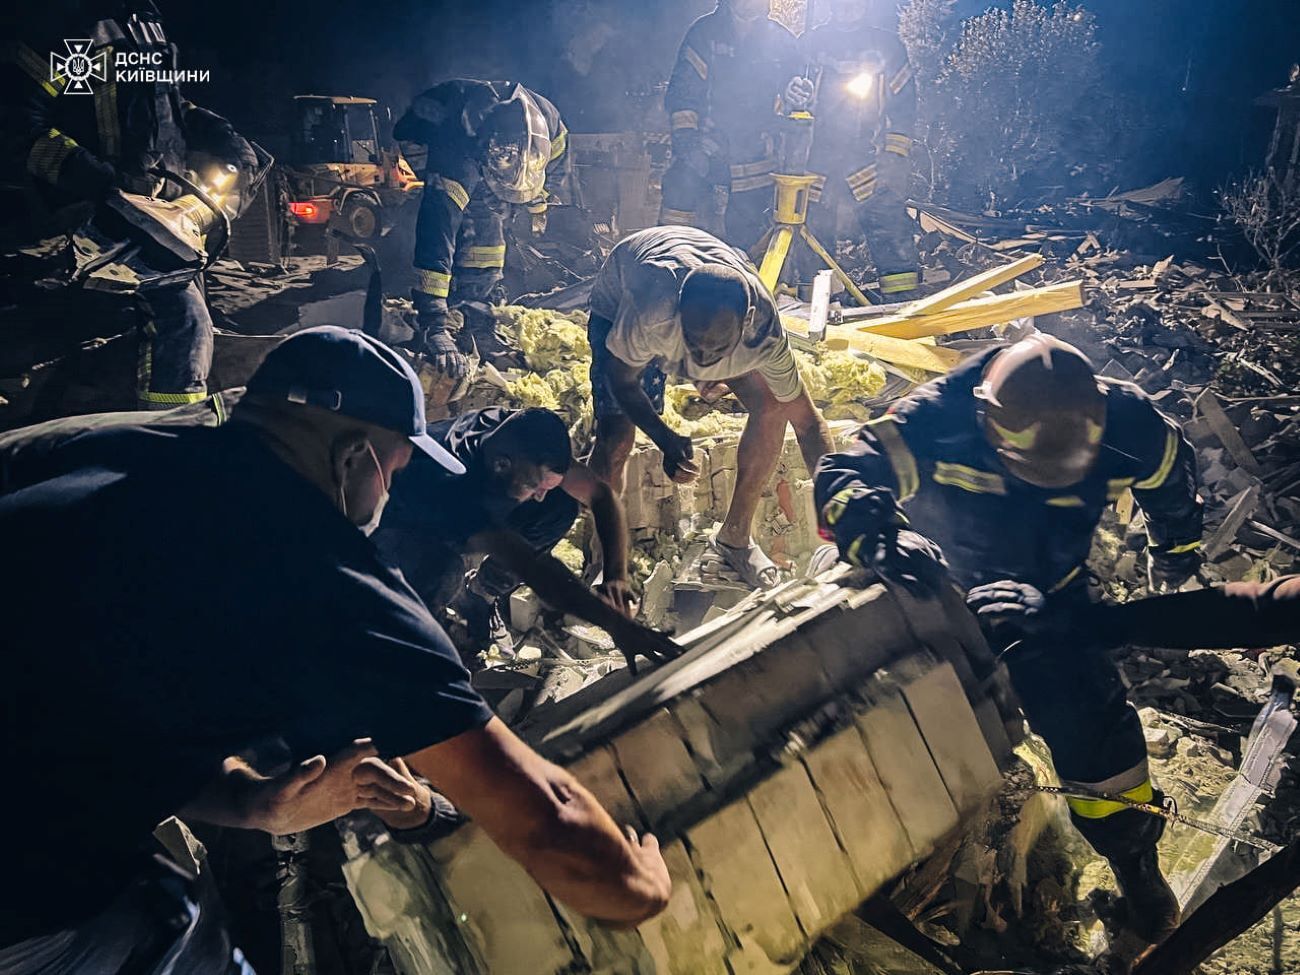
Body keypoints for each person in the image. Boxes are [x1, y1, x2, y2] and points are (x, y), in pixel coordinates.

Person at [0, 326, 670, 970]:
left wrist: (253, 802)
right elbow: (551, 829)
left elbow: (99, 707)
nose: (390, 492)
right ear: (352, 457)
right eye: (395, 470)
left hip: (43, 808)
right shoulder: (333, 587)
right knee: (175, 934)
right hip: (33, 906)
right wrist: (639, 886)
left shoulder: (96, 446)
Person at [814, 334, 1203, 946]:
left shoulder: (1129, 422)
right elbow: (844, 472)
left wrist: (1176, 550)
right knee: (890, 714)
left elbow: (1171, 478)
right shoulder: (937, 416)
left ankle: (1136, 867)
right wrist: (880, 536)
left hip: (1053, 600)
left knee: (1093, 728)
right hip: (941, 592)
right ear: (986, 419)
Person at [0, 0, 261, 409]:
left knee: (186, 324)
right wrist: (101, 180)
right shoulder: (70, 22)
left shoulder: (143, 20)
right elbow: (17, 125)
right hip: (94, 216)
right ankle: (169, 431)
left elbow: (166, 106)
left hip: (159, 216)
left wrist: (219, 134)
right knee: (183, 324)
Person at [587, 225, 834, 589]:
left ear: (746, 323)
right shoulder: (651, 313)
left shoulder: (764, 334)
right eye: (694, 344)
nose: (702, 359)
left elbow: (809, 425)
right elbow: (622, 381)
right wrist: (665, 439)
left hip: (699, 294)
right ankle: (603, 558)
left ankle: (735, 538)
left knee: (772, 406)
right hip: (623, 288)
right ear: (679, 315)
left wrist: (840, 504)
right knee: (615, 438)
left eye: (716, 349)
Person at [372, 405, 672, 667]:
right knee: (442, 572)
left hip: (473, 504)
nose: (540, 496)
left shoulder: (517, 438)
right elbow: (533, 568)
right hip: (390, 532)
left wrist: (616, 575)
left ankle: (481, 594)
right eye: (534, 486)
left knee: (559, 507)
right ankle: (420, 641)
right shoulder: (451, 480)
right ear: (502, 465)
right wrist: (615, 624)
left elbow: (600, 495)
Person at [393, 79, 570, 377]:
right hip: (421, 138)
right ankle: (444, 315)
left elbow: (556, 168)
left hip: (482, 149)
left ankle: (477, 316)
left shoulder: (549, 123)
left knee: (490, 231)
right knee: (461, 219)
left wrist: (537, 206)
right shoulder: (456, 154)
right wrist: (434, 322)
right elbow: (436, 235)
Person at [659, 0, 809, 250]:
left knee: (748, 232)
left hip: (756, 153)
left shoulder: (781, 41)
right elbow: (683, 94)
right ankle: (666, 260)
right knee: (680, 190)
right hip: (707, 145)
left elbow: (796, 85)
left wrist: (796, 92)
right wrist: (688, 147)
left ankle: (742, 271)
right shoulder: (704, 33)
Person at [799, 0, 922, 297]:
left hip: (869, 165)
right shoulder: (810, 44)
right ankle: (818, 307)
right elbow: (785, 97)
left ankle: (903, 305)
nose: (847, 6)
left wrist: (894, 158)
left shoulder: (887, 47)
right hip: (815, 167)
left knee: (889, 231)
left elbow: (904, 109)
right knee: (812, 243)